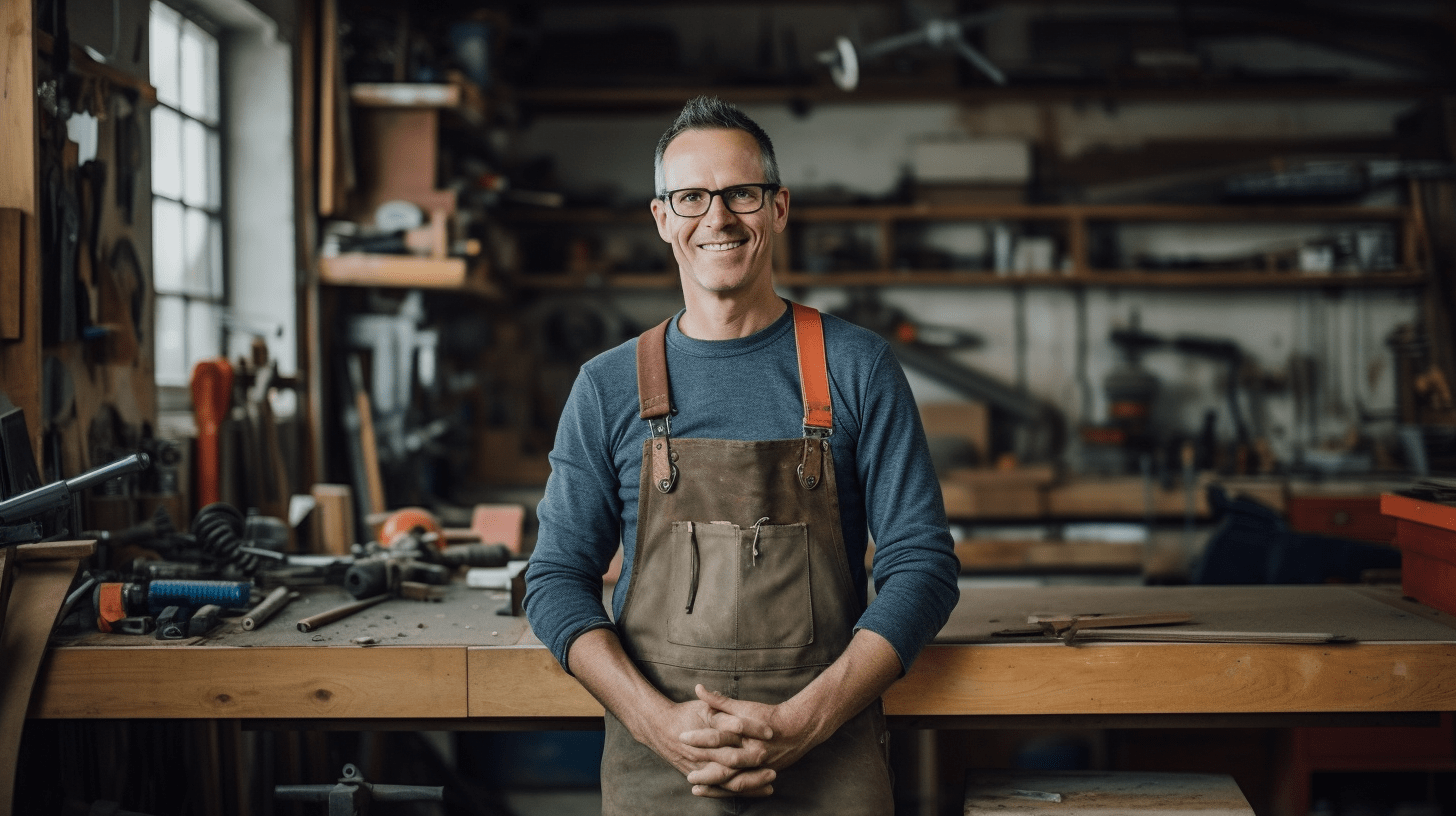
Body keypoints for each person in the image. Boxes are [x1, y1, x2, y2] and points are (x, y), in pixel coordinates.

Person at [524, 95, 960, 814]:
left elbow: (924, 566)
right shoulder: (608, 386)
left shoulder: (857, 368)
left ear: (778, 208)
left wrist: (804, 722)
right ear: (662, 218)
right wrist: (656, 725)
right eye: (691, 197)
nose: (718, 218)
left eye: (741, 194)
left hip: (830, 758)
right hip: (662, 770)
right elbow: (555, 580)